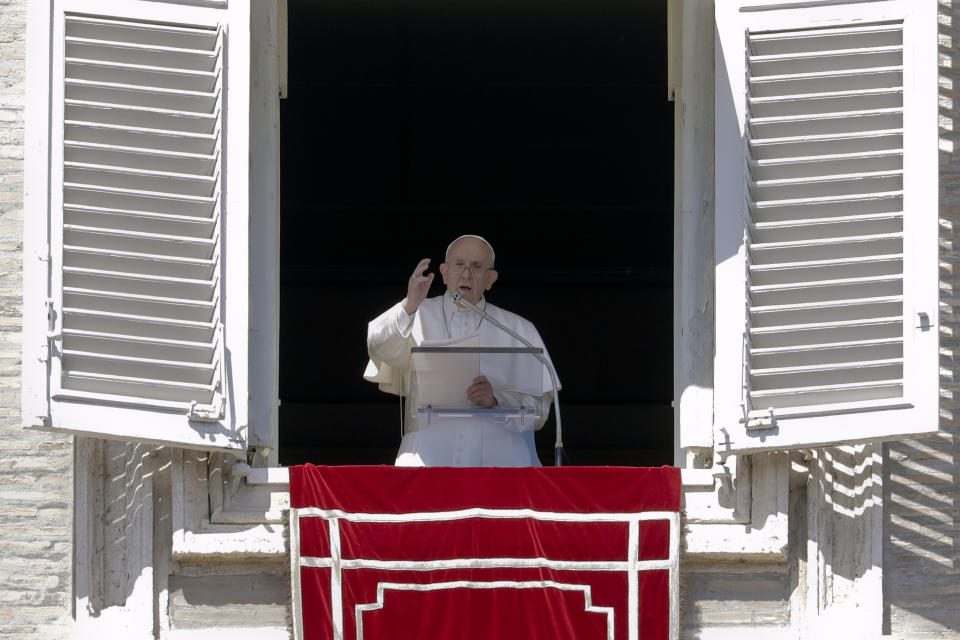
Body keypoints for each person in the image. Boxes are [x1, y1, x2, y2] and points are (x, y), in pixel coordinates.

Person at [364, 234, 559, 467]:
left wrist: (497, 401)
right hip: (428, 460)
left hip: (501, 465)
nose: (466, 273)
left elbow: (540, 413)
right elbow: (379, 347)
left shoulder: (518, 329)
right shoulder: (415, 313)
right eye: (459, 265)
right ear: (444, 273)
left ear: (490, 279)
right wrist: (409, 304)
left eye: (476, 266)